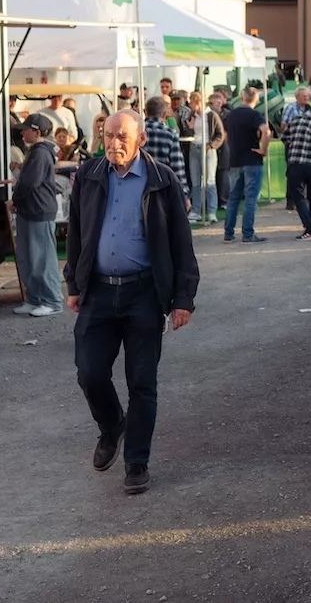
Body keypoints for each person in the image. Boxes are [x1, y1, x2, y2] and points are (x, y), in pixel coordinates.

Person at [64, 109, 199, 495]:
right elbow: (76, 232)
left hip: (143, 293)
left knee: (142, 382)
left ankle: (136, 462)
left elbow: (181, 243)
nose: (113, 143)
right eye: (108, 135)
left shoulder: (162, 179)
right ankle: (112, 426)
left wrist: (183, 298)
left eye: (122, 136)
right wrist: (74, 283)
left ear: (141, 139)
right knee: (89, 372)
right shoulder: (88, 175)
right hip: (99, 292)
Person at [12, 113, 63, 317]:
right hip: (32, 209)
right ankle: (34, 298)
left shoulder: (40, 154)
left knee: (42, 259)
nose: (22, 133)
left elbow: (29, 183)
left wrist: (15, 199)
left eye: (26, 129)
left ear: (37, 132)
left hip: (39, 210)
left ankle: (51, 300)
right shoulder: (37, 152)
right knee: (29, 258)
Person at [223, 87, 271, 244]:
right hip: (252, 159)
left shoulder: (231, 115)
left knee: (233, 198)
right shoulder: (254, 115)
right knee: (250, 198)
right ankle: (248, 233)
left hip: (235, 159)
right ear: (256, 99)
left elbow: (225, 136)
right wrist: (263, 150)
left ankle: (228, 233)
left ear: (242, 97)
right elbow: (266, 131)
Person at [282, 89, 311, 241]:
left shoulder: (295, 120)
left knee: (299, 197)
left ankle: (309, 229)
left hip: (295, 163)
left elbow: (285, 138)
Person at [185, 91, 226, 225]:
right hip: (194, 147)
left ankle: (211, 211)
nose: (190, 105)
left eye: (192, 102)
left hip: (207, 149)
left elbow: (220, 134)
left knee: (209, 181)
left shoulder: (212, 115)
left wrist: (211, 145)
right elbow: (187, 132)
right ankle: (196, 210)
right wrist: (190, 128)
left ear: (197, 102)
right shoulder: (192, 115)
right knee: (196, 181)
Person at [142, 98, 191, 208]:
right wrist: (184, 194)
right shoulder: (170, 134)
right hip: (163, 185)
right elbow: (177, 166)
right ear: (164, 114)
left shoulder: (136, 133)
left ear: (145, 112)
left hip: (140, 185)